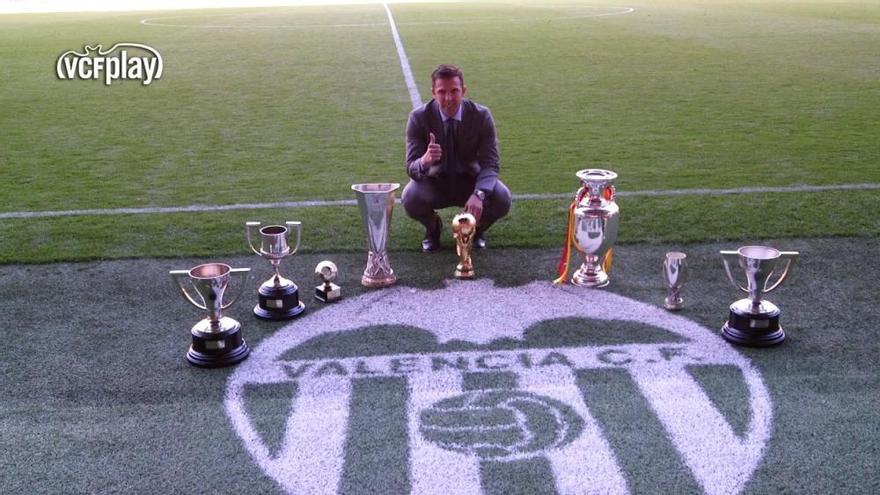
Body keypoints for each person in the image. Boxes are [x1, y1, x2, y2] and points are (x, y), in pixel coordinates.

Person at [402, 64, 511, 252]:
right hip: (435, 184)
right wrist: (425, 161)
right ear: (433, 93)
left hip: (470, 182)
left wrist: (479, 193)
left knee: (502, 198)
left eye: (455, 91)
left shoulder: (481, 115)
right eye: (442, 92)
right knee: (410, 197)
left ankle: (475, 229)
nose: (449, 98)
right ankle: (433, 228)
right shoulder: (418, 118)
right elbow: (411, 167)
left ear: (464, 91)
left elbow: (490, 163)